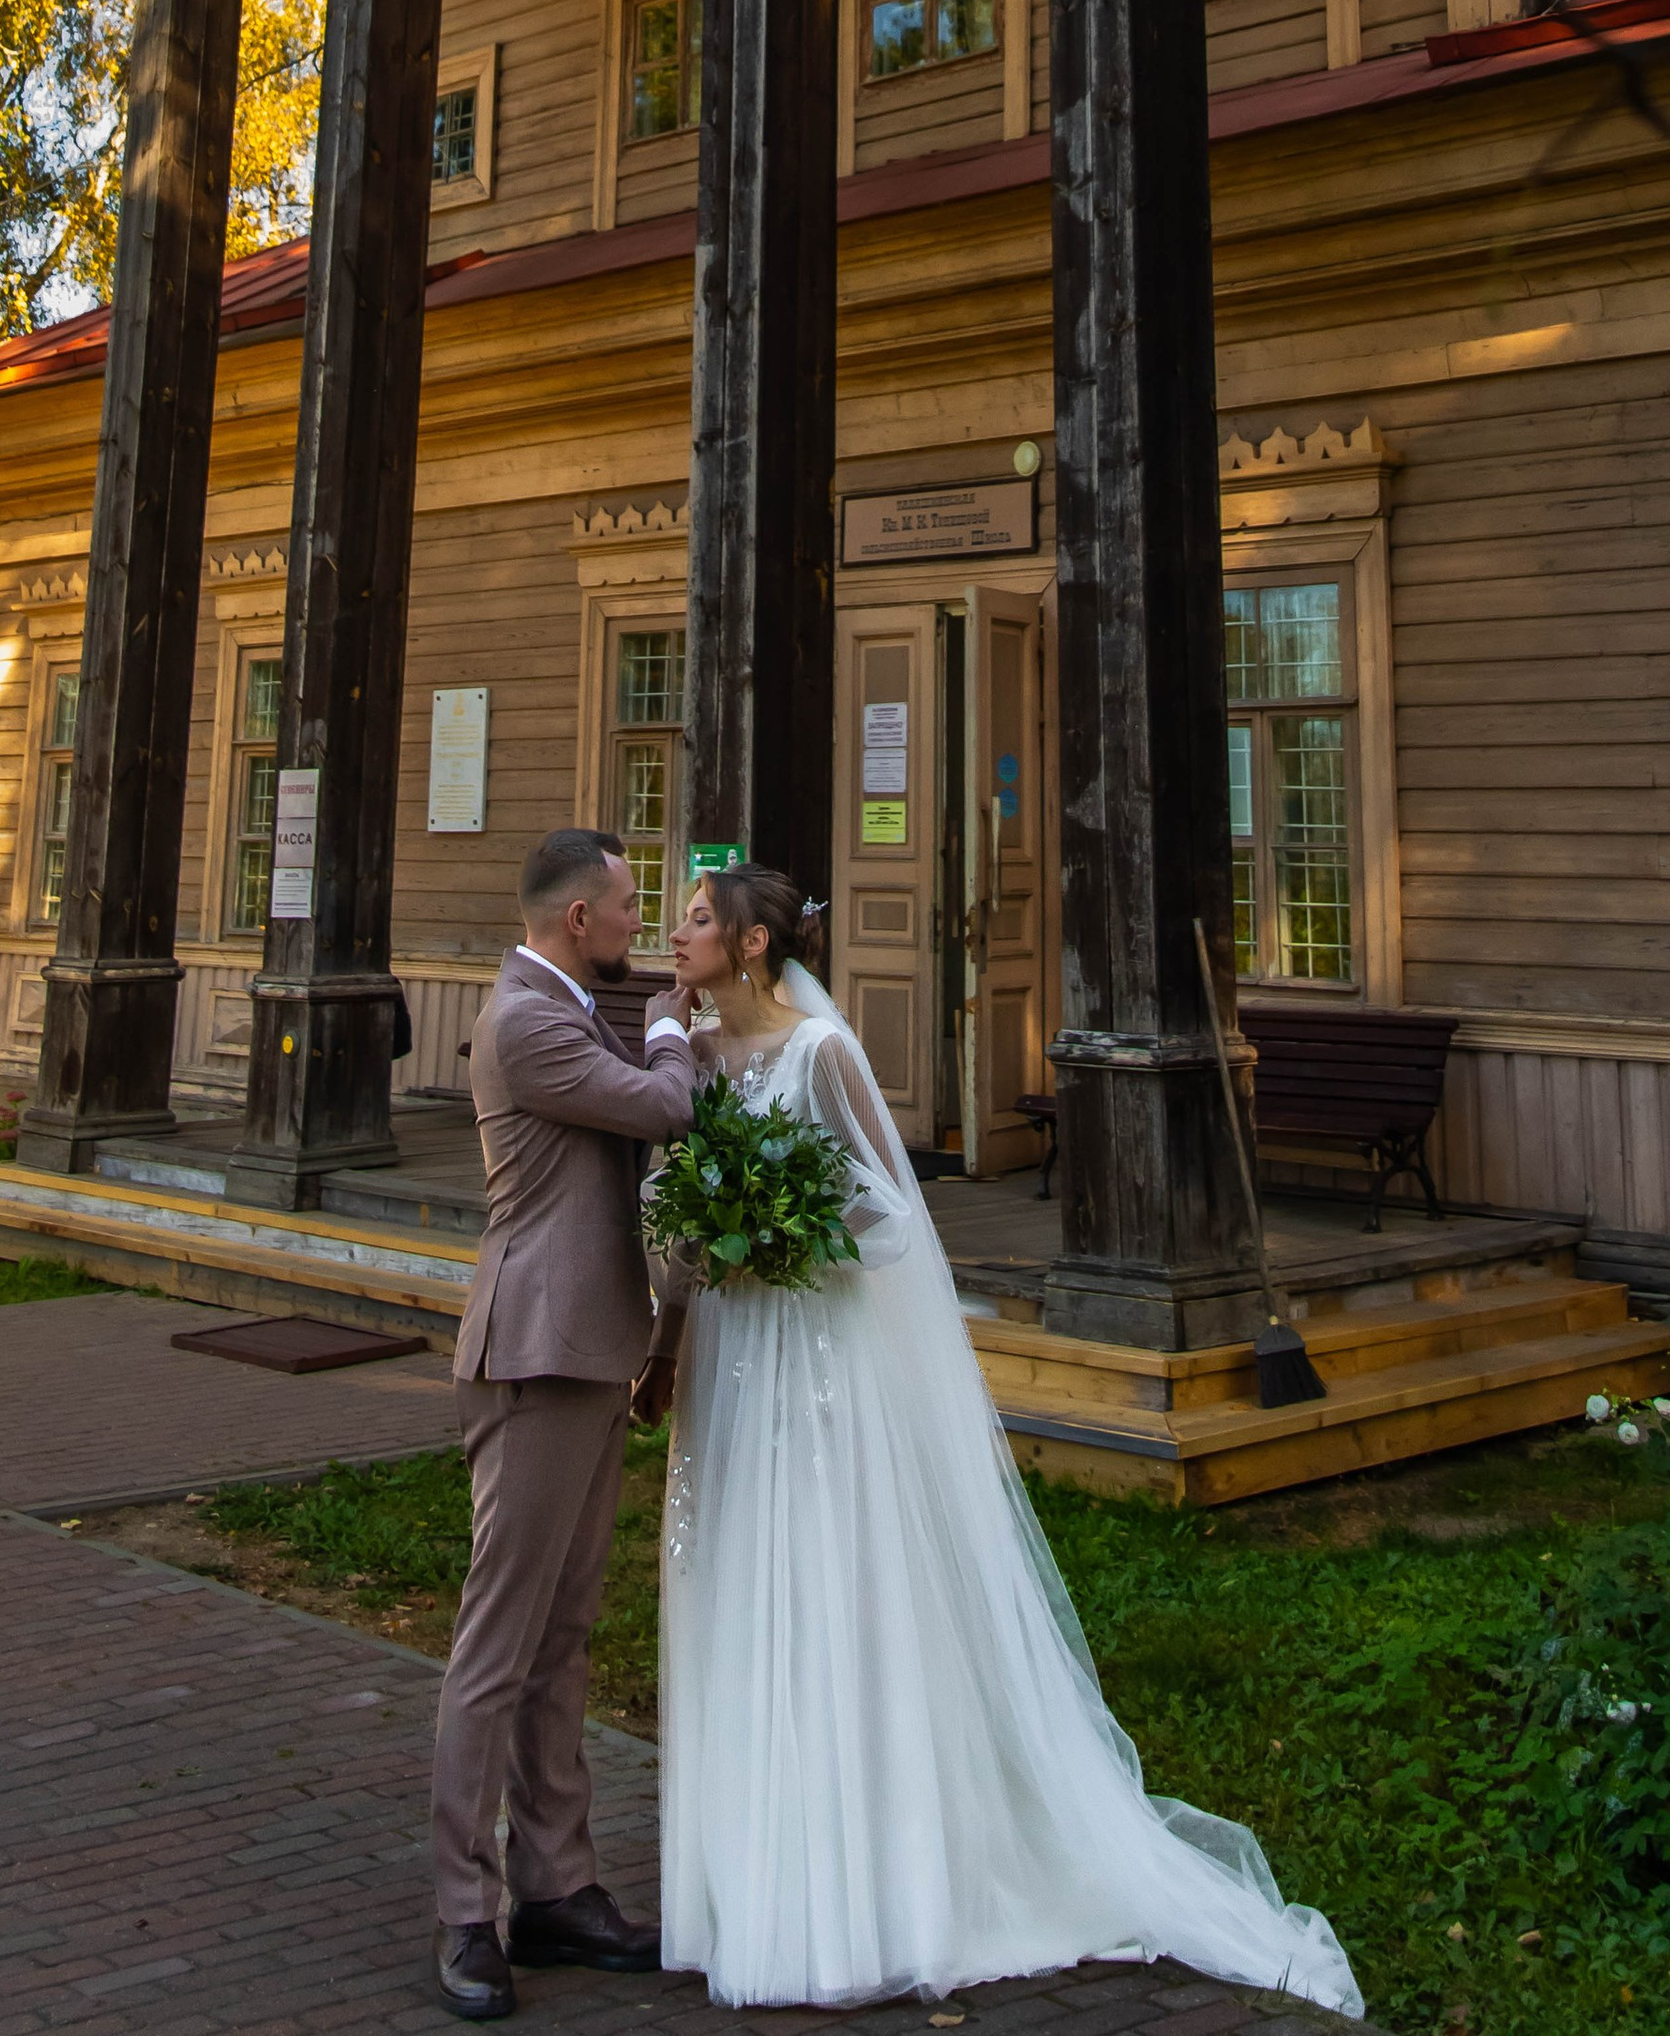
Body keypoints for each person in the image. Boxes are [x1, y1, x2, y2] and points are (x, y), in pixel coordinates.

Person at [639, 861, 1365, 2019]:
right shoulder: (690, 1057)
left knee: (826, 1583)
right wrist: (674, 1325)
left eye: (693, 920)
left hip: (812, 1356)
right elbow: (666, 1199)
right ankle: (753, 1872)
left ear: (755, 946)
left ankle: (868, 1882)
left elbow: (888, 1210)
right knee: (736, 1578)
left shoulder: (821, 1056)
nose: (672, 935)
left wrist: (773, 1236)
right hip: (734, 1357)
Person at [428, 827, 697, 2022]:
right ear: (576, 916)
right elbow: (664, 1110)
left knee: (564, 1631)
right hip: (534, 1352)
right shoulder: (529, 1021)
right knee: (499, 1643)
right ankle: (462, 1916)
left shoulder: (566, 1004)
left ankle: (558, 1885)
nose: (641, 925)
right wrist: (683, 1014)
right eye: (631, 907)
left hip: (591, 1348)